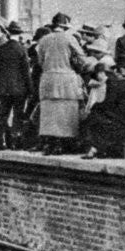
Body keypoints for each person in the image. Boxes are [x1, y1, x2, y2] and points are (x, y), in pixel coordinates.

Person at [35, 13, 86, 155]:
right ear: (65, 26)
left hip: (47, 79)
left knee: (49, 112)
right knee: (65, 112)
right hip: (66, 79)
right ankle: (63, 144)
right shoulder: (70, 38)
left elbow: (40, 61)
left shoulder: (43, 40)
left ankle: (50, 143)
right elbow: (82, 59)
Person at [0, 21, 33, 150]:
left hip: (3, 88)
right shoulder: (21, 49)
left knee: (2, 114)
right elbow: (26, 71)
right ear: (19, 34)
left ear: (8, 33)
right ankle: (14, 142)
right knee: (17, 115)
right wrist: (30, 89)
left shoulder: (1, 49)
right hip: (19, 88)